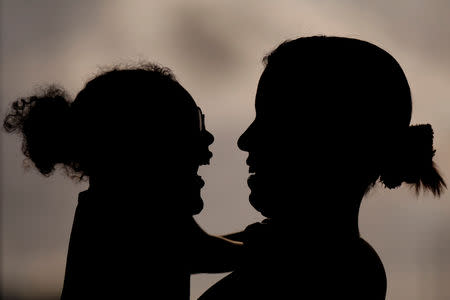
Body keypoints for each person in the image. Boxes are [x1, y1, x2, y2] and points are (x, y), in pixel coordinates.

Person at [200, 36, 446, 299]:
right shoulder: (293, 253)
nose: (245, 140)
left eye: (275, 121)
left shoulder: (337, 268)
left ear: (328, 140)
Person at [3, 64, 242, 299]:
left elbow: (206, 247)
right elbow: (212, 253)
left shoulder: (108, 207)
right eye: (188, 124)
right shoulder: (134, 213)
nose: (207, 137)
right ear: (136, 149)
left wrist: (261, 235)